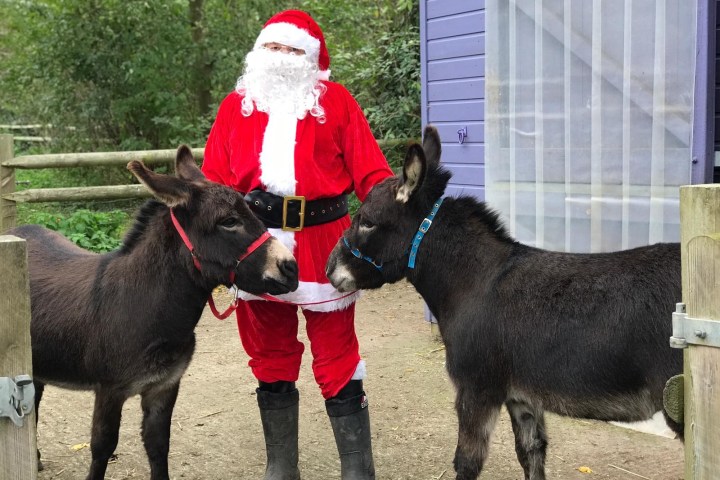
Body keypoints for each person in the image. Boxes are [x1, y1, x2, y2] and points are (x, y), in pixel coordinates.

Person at [201, 9, 393, 480]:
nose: (282, 57)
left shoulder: (338, 103)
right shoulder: (235, 106)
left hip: (325, 242)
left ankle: (357, 468)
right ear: (259, 52)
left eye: (293, 49)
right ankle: (281, 467)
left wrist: (398, 212)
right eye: (274, 47)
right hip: (257, 244)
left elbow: (373, 174)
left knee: (337, 352)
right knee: (268, 351)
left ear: (311, 59)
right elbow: (214, 186)